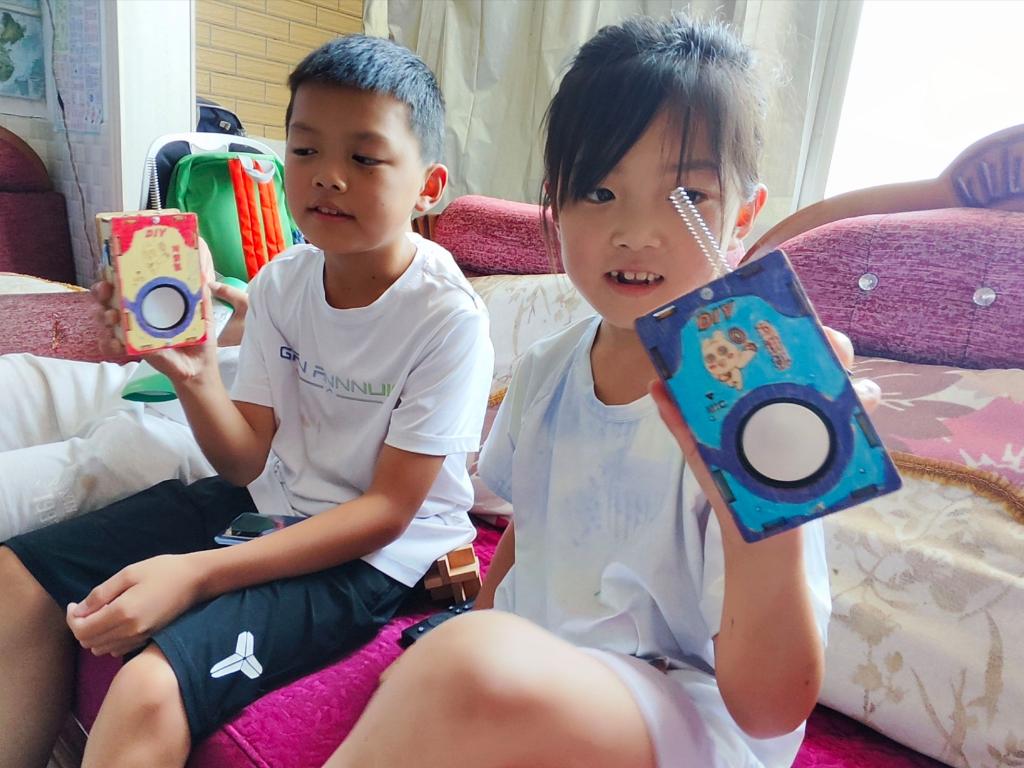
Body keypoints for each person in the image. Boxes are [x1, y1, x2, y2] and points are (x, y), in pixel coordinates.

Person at [322, 15, 880, 768]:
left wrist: (763, 499)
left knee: (463, 669)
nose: (636, 231)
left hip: (688, 717)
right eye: (599, 190)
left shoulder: (754, 407)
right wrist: (472, 633)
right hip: (548, 683)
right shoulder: (547, 368)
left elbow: (770, 710)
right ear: (555, 206)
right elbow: (528, 533)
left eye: (688, 195)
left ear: (743, 217)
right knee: (450, 669)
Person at [0, 34, 493, 768]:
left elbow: (387, 512)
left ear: (429, 185)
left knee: (150, 687)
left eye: (364, 158)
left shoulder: (448, 318)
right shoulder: (283, 282)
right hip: (268, 504)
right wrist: (196, 371)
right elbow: (244, 461)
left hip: (374, 555)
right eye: (305, 150)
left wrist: (194, 574)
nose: (327, 177)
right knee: (18, 576)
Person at [0, 280, 247, 542]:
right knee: (15, 381)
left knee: (123, 457)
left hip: (212, 445)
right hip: (150, 380)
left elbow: (245, 466)